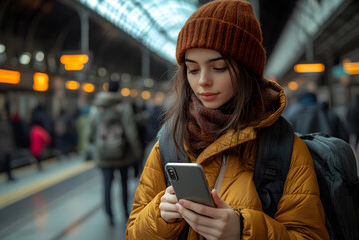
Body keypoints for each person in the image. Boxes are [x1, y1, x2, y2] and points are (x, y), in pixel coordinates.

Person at [126, 1, 329, 239]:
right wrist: (159, 215)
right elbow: (133, 234)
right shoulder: (170, 141)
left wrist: (243, 230)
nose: (203, 81)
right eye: (192, 69)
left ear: (246, 70)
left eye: (219, 67)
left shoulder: (286, 149)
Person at [87, 79, 142, 225]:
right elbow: (131, 132)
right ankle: (125, 211)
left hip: (103, 154)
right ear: (118, 90)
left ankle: (109, 214)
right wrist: (137, 154)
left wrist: (98, 144)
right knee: (124, 183)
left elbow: (90, 133)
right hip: (123, 153)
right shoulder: (124, 107)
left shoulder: (95, 108)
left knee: (106, 184)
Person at [284, 91, 349, 142]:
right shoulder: (330, 114)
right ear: (315, 99)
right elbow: (344, 138)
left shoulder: (292, 115)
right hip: (330, 154)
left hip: (302, 155)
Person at [0, 111, 16, 181]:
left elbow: (11, 135)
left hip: (8, 144)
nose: (5, 117)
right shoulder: (0, 125)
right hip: (3, 145)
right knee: (5, 160)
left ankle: (9, 174)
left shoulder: (7, 124)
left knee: (8, 160)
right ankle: (8, 174)